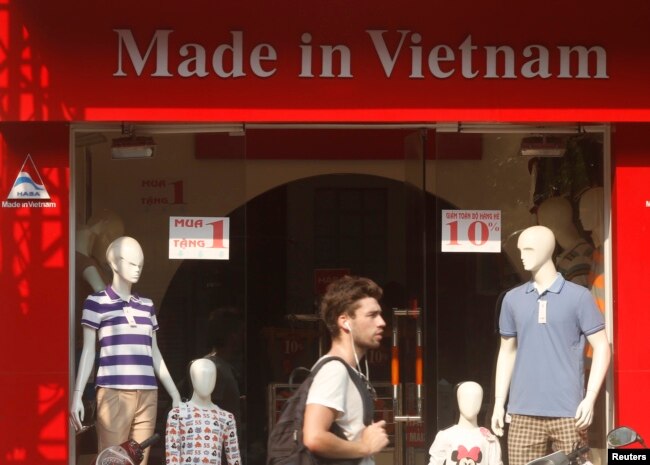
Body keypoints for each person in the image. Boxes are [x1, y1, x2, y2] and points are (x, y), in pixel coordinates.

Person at [490, 226, 610, 465]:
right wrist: (498, 402)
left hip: (568, 412)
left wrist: (590, 398)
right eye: (520, 249)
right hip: (522, 411)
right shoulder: (512, 300)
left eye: (529, 249)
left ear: (547, 250)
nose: (522, 254)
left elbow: (602, 347)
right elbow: (507, 351)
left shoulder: (578, 297)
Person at [70, 236, 181, 465]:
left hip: (148, 393)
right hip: (114, 392)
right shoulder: (96, 302)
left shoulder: (146, 305)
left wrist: (175, 394)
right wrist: (77, 394)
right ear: (114, 264)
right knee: (112, 460)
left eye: (140, 264)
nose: (137, 269)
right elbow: (89, 351)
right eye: (131, 263)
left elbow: (155, 353)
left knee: (140, 460)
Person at [302, 275, 389, 465]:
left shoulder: (346, 370)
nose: (382, 322)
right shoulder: (334, 371)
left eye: (380, 314)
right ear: (345, 322)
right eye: (372, 315)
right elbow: (314, 437)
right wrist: (365, 448)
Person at [165, 358, 241, 465]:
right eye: (201, 376)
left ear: (215, 379)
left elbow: (234, 459)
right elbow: (172, 457)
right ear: (192, 378)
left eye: (210, 376)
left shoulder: (226, 417)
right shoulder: (177, 414)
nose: (206, 381)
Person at [429, 381, 501, 465]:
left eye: (476, 399)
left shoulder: (489, 438)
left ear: (481, 402)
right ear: (458, 400)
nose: (471, 404)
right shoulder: (445, 435)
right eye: (466, 398)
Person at [537, 196, 593, 288]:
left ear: (550, 225)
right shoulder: (575, 254)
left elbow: (579, 301)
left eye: (541, 224)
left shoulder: (577, 260)